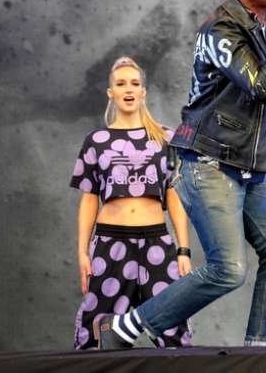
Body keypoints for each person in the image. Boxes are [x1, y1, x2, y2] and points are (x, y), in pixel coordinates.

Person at [95, 0, 266, 349]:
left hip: (247, 167)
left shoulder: (262, 28)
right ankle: (122, 329)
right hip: (208, 161)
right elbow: (263, 87)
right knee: (227, 269)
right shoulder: (221, 30)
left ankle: (261, 348)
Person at [72, 56, 193, 349]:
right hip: (110, 244)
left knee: (174, 326)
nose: (129, 89)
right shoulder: (96, 141)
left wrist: (183, 250)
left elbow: (174, 196)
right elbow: (89, 199)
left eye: (135, 83)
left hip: (156, 243)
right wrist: (82, 253)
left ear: (143, 92)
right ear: (110, 93)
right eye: (121, 84)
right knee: (97, 330)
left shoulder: (165, 138)